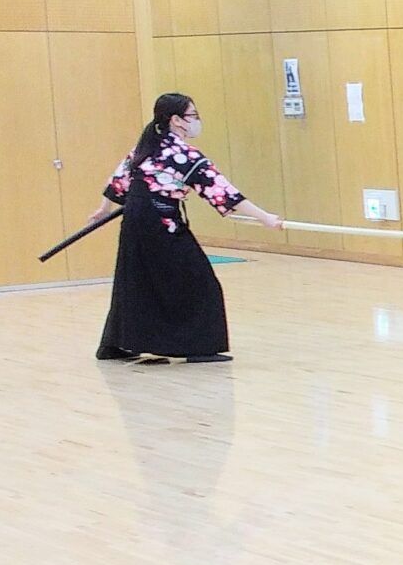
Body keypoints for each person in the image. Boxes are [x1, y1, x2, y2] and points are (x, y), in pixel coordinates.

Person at [93, 93, 284, 363]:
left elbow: (117, 182)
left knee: (137, 281)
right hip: (161, 223)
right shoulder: (181, 154)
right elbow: (221, 190)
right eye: (193, 115)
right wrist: (265, 218)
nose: (197, 121)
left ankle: (119, 344)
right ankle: (199, 346)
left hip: (135, 222)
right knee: (200, 281)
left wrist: (103, 210)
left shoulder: (146, 147)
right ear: (176, 120)